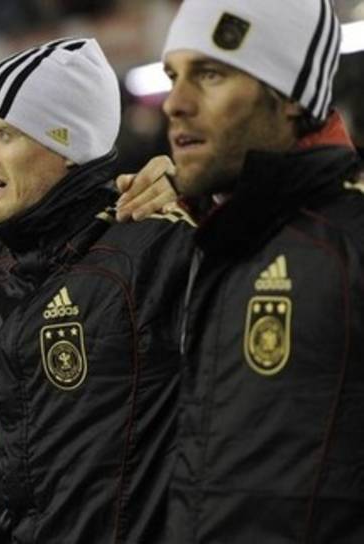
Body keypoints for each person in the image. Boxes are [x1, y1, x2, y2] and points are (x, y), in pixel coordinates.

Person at [116, 1, 364, 541]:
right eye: (173, 76)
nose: (175, 103)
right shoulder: (215, 240)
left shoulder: (347, 241)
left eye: (210, 75)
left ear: (291, 97)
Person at [0, 37, 194, 542]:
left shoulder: (156, 246)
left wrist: (212, 193)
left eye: (3, 134)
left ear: (65, 142)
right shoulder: (2, 276)